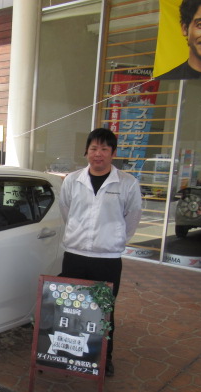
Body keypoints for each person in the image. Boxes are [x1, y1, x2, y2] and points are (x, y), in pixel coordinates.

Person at [58, 128, 142, 377]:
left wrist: (114, 239)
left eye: (104, 149)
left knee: (104, 310)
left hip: (107, 260)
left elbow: (132, 218)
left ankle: (105, 358)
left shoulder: (127, 183)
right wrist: (79, 235)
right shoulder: (72, 180)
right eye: (94, 148)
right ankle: (70, 353)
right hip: (74, 256)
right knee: (71, 308)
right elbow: (66, 211)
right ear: (86, 151)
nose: (98, 154)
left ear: (113, 153)